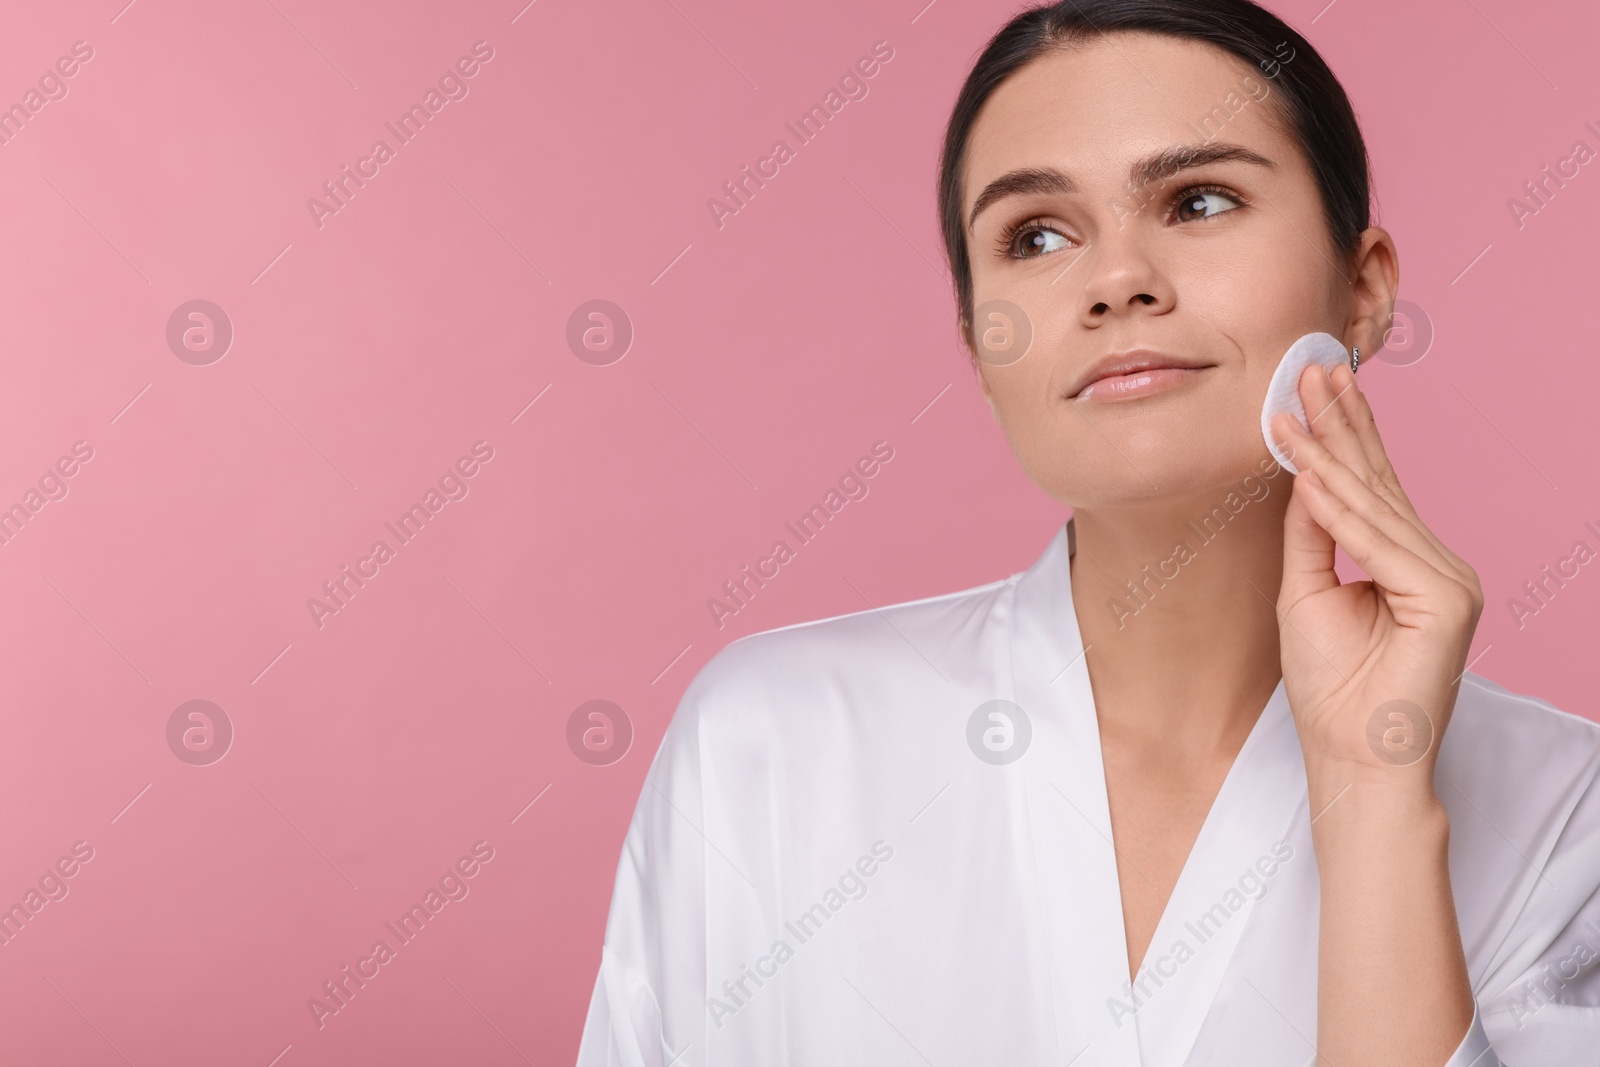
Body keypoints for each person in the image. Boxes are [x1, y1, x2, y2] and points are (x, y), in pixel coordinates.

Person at [575, 1, 1600, 1063]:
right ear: (977, 343)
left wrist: (1375, 787)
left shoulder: (1565, 810)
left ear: (1363, 290)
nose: (1116, 281)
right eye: (1037, 236)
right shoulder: (772, 741)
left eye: (1199, 200)